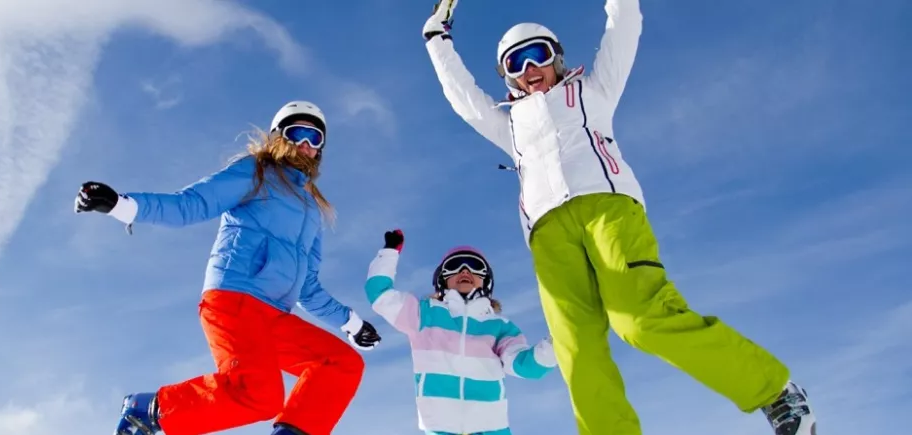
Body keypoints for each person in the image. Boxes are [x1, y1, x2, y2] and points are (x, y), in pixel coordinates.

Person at [419, 1, 817, 435]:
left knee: (640, 319)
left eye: (539, 54)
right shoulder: (508, 126)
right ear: (508, 75)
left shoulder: (593, 91)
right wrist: (437, 39)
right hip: (548, 232)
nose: (531, 67)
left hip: (607, 208)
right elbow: (464, 99)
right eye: (517, 61)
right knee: (576, 348)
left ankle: (773, 391)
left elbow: (624, 26)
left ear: (558, 57)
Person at [73, 101, 383, 435]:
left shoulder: (313, 209)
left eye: (315, 138)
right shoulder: (258, 171)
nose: (306, 144)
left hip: (275, 317)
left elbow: (308, 286)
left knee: (342, 362)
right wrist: (122, 206)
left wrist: (352, 323)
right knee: (261, 397)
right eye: (298, 133)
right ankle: (150, 409)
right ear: (280, 137)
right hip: (235, 300)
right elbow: (192, 204)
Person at [364, 229, 556, 435]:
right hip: (440, 428)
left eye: (475, 266)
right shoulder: (424, 315)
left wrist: (559, 341)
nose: (465, 271)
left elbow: (526, 366)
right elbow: (380, 295)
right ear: (442, 279)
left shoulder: (499, 326)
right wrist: (390, 252)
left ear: (486, 279)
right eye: (454, 266)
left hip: (492, 429)